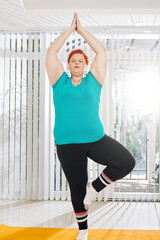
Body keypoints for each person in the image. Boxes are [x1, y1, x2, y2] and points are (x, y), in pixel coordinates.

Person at [46, 12, 136, 240]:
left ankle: (94, 188)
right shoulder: (59, 81)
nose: (76, 63)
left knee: (126, 162)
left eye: (81, 61)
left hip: (95, 138)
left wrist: (81, 30)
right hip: (67, 144)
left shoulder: (93, 80)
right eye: (73, 61)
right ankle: (83, 232)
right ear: (68, 65)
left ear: (86, 66)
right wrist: (69, 30)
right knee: (76, 189)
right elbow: (51, 53)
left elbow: (101, 52)